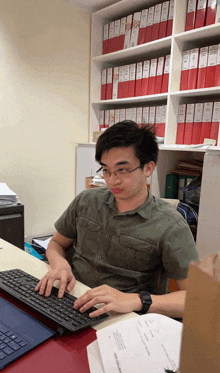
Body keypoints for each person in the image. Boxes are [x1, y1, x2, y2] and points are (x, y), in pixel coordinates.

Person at [35, 120, 199, 319]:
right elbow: (56, 243)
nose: (112, 181)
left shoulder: (171, 226)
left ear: (148, 168)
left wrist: (136, 300)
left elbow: (196, 299)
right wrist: (60, 264)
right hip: (71, 299)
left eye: (122, 170)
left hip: (123, 316)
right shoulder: (87, 201)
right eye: (106, 170)